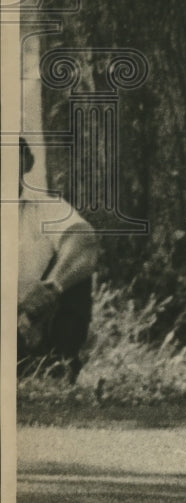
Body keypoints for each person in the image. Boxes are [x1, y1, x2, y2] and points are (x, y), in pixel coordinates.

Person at [17, 137, 100, 381]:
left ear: (28, 162)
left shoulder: (47, 206)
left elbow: (83, 242)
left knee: (75, 278)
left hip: (37, 321)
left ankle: (57, 367)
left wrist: (51, 289)